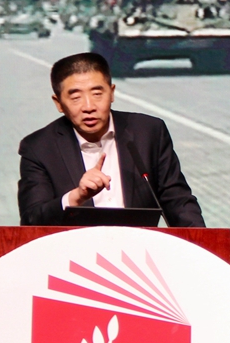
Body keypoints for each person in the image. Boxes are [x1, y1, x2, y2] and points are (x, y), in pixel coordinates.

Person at [17, 52, 205, 227]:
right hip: (75, 249)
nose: (89, 107)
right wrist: (76, 197)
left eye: (97, 94)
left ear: (112, 92)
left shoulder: (148, 132)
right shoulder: (39, 148)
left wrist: (202, 242)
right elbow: (32, 220)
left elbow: (177, 201)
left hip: (140, 248)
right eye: (76, 98)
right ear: (58, 103)